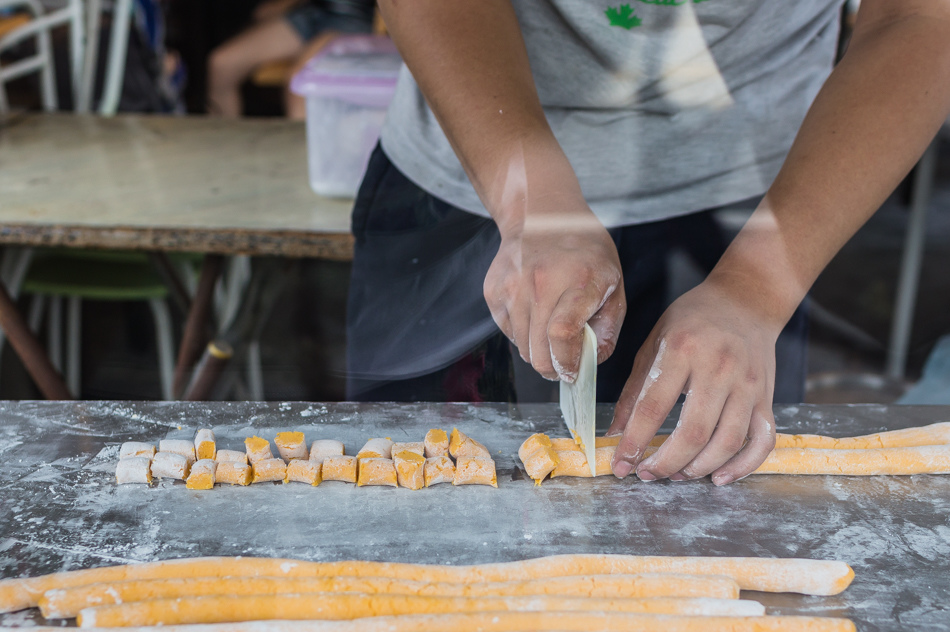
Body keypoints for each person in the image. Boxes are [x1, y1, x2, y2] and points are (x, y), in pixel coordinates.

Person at [346, 1, 950, 484]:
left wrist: (757, 286)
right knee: (420, 494)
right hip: (477, 150)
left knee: (716, 506)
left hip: (772, 198)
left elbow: (918, 17)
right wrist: (530, 199)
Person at [207, 0, 374, 117]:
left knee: (298, 83)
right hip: (312, 11)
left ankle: (300, 154)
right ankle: (223, 148)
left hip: (354, 18)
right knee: (221, 64)